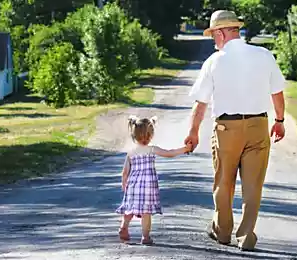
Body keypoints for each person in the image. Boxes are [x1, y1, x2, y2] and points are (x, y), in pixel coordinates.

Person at [184, 10, 286, 251]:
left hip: (226, 128)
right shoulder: (263, 55)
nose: (213, 40)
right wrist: (279, 120)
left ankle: (222, 232)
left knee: (223, 181)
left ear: (220, 33)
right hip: (258, 125)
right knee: (253, 185)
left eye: (213, 35)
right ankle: (246, 236)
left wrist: (193, 132)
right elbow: (277, 93)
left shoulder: (214, 61)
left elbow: (200, 104)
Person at [116, 115, 192, 245]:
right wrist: (185, 149)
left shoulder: (131, 152)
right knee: (146, 212)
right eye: (144, 136)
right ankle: (145, 237)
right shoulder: (151, 149)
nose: (145, 139)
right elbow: (169, 153)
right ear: (151, 135)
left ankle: (124, 227)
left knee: (130, 208)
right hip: (148, 186)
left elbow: (125, 172)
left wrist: (124, 185)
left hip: (133, 186)